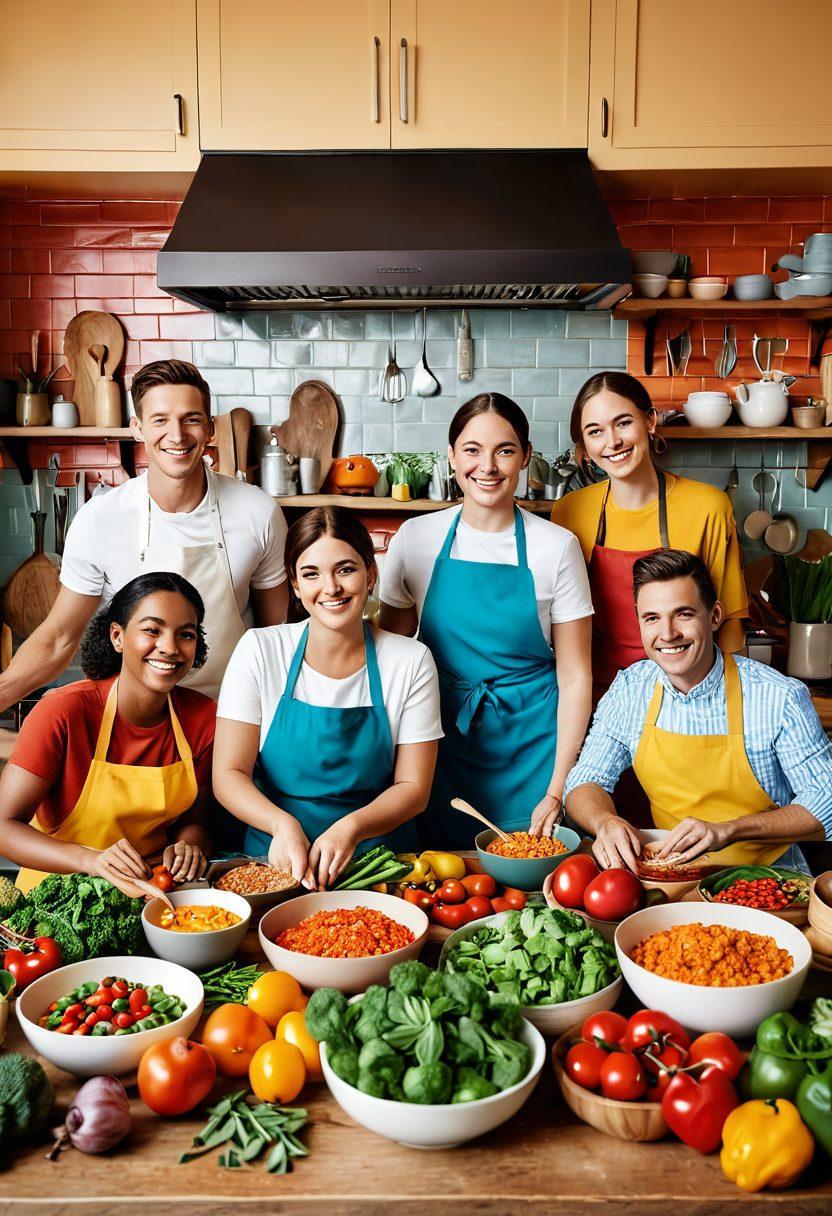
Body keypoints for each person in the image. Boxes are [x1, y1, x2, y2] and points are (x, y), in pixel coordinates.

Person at [0, 359, 288, 705]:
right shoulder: (100, 519)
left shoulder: (258, 512)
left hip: (229, 712)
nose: (177, 436)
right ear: (137, 428)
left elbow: (275, 638)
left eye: (191, 419)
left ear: (210, 428)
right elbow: (58, 640)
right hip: (133, 718)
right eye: (160, 420)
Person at [379, 393, 593, 848]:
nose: (488, 467)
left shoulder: (557, 547)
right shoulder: (415, 539)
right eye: (472, 450)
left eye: (505, 450)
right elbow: (387, 656)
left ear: (526, 456)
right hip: (440, 744)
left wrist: (558, 788)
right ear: (452, 455)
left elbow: (575, 676)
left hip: (535, 749)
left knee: (532, 871)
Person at [213, 507, 442, 890]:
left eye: (345, 569)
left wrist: (352, 828)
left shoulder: (410, 660)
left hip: (378, 865)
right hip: (277, 861)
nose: (331, 587)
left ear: (371, 575)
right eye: (311, 574)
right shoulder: (260, 650)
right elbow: (228, 774)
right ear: (294, 584)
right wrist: (281, 825)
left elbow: (414, 789)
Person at [563, 549, 832, 872]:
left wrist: (730, 830)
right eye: (652, 618)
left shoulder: (779, 696)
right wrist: (604, 821)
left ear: (715, 616)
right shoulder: (631, 689)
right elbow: (584, 781)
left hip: (768, 878)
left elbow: (825, 801)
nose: (668, 634)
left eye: (684, 614)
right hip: (672, 875)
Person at [0, 572, 216, 896]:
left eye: (185, 634)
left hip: (153, 894)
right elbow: (4, 827)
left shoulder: (202, 717)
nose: (170, 647)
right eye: (152, 630)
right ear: (117, 636)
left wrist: (189, 846)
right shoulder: (63, 711)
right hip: (57, 898)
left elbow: (196, 819)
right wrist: (91, 860)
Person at [550, 371, 748, 703]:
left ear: (650, 421)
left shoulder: (708, 507)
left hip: (685, 693)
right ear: (584, 445)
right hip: (597, 694)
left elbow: (728, 624)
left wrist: (726, 706)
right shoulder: (568, 512)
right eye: (595, 431)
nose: (612, 441)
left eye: (624, 423)